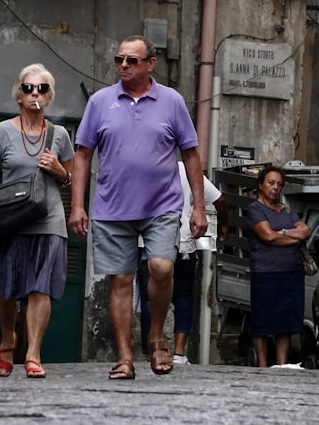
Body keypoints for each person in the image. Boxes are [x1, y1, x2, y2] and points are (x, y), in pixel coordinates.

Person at [69, 35, 208, 380]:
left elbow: (190, 154)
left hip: (161, 205)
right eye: (119, 60)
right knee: (121, 280)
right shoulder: (101, 102)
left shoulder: (171, 101)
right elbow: (83, 155)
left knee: (161, 267)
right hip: (112, 208)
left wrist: (199, 208)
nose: (124, 66)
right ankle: (125, 357)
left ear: (150, 64)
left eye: (132, 60)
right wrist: (77, 206)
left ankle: (157, 337)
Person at [0, 64, 75, 379]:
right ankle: (9, 338)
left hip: (48, 218)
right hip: (11, 219)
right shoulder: (3, 132)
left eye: (42, 89)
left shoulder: (60, 135)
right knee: (6, 287)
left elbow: (71, 179)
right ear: (18, 95)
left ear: (50, 97)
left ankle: (33, 353)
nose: (35, 94)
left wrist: (58, 170)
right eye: (28, 88)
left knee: (40, 288)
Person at [137, 161, 224, 363]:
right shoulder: (187, 169)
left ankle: (152, 350)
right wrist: (224, 227)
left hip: (148, 242)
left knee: (149, 299)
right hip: (184, 241)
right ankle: (178, 352)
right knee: (183, 297)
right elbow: (220, 200)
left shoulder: (145, 166)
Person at [244, 164, 311, 368]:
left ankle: (281, 365)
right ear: (261, 185)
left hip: (291, 273)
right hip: (265, 273)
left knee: (286, 323)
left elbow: (305, 231)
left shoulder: (287, 210)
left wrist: (281, 233)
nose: (275, 187)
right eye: (271, 183)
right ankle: (263, 366)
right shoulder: (254, 209)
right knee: (263, 322)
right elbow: (267, 236)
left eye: (279, 184)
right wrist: (290, 236)